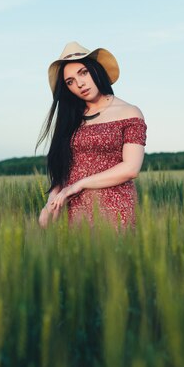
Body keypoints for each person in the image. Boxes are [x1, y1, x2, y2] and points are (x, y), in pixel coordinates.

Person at [37, 41, 147, 229]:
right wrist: (50, 202)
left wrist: (79, 185)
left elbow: (131, 168)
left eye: (83, 72)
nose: (79, 84)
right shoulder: (71, 118)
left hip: (115, 208)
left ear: (95, 70)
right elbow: (64, 166)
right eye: (70, 82)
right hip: (73, 209)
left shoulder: (130, 112)